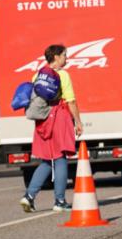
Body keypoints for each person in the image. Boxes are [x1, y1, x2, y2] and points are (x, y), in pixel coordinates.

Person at [20, 44, 84, 212]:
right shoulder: (63, 75)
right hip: (59, 117)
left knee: (48, 160)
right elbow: (70, 101)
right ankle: (60, 201)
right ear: (56, 57)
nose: (66, 58)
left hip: (42, 120)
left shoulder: (37, 75)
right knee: (61, 158)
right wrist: (77, 121)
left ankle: (29, 196)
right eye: (64, 55)